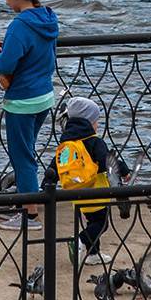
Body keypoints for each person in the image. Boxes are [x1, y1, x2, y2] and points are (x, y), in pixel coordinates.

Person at [0, 0, 59, 231]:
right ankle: (25, 203)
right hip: (44, 96)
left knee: (23, 157)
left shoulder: (20, 25)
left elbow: (7, 63)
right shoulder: (48, 18)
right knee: (28, 151)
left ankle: (30, 216)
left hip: (22, 100)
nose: (6, 1)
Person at [54, 97, 131, 265]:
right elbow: (107, 161)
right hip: (96, 193)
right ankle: (80, 240)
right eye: (96, 121)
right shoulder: (95, 142)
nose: (97, 125)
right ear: (88, 122)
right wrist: (124, 171)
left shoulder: (67, 142)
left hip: (77, 193)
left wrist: (49, 181)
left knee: (92, 221)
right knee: (101, 224)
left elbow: (56, 165)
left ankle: (93, 253)